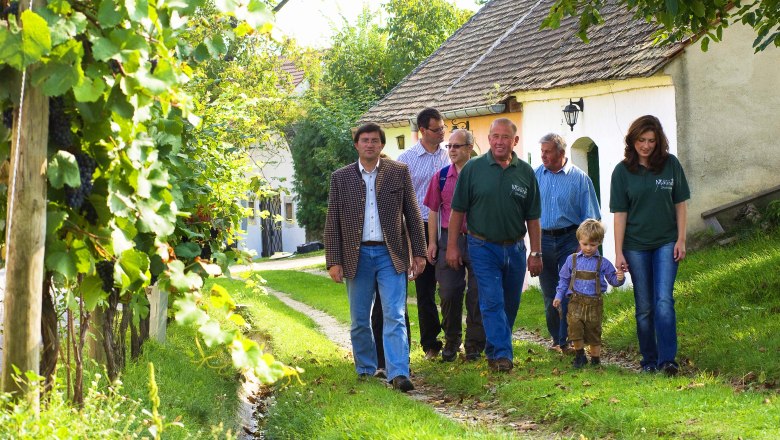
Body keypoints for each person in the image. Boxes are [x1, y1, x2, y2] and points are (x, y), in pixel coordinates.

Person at [324, 122, 427, 392]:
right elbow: (332, 220)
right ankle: (366, 370)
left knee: (394, 313)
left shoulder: (398, 172)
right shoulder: (341, 177)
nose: (369, 144)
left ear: (382, 145)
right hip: (355, 255)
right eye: (364, 140)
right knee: (359, 318)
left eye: (374, 140)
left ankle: (398, 372)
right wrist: (333, 260)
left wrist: (419, 252)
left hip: (390, 253)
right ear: (357, 145)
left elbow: (413, 215)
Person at [446, 118, 542, 373]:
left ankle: (494, 348)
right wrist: (453, 246)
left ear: (515, 141)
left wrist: (536, 252)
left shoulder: (525, 172)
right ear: (488, 139)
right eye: (495, 136)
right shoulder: (473, 169)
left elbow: (533, 217)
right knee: (491, 300)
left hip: (516, 248)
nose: (499, 142)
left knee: (510, 303)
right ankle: (502, 355)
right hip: (482, 245)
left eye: (505, 137)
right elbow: (457, 212)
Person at [610, 115, 690, 376]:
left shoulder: (670, 165)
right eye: (641, 140)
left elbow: (680, 204)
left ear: (659, 142)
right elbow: (620, 214)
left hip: (667, 242)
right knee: (644, 306)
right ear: (633, 140)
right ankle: (649, 361)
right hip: (635, 245)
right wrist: (618, 251)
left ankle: (668, 361)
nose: (646, 146)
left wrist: (681, 239)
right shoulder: (622, 172)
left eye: (651, 141)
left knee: (664, 300)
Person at [534, 133, 601, 353]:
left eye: (548, 151)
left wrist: (584, 247)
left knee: (569, 292)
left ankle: (568, 340)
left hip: (569, 240)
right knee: (549, 293)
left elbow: (591, 218)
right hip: (543, 239)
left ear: (561, 153)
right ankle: (556, 338)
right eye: (542, 151)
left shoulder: (580, 179)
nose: (543, 155)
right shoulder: (536, 176)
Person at [423, 129, 485, 362]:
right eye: (449, 146)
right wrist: (432, 243)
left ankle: (474, 344)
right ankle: (451, 340)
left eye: (457, 146)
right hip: (448, 237)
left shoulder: (481, 175)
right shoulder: (440, 177)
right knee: (448, 292)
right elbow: (432, 211)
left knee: (477, 294)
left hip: (479, 238)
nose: (451, 151)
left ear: (470, 148)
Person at [397, 107, 450, 360]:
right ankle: (431, 344)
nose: (442, 132)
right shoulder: (406, 159)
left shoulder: (449, 156)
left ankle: (453, 339)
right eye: (437, 129)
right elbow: (400, 201)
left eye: (443, 128)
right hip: (418, 228)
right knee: (425, 288)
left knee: (451, 286)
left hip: (446, 228)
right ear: (422, 131)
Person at [553, 219, 625, 368]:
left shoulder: (603, 263)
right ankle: (580, 356)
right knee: (574, 328)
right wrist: (558, 296)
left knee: (594, 331)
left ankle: (595, 360)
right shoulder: (571, 260)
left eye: (593, 245)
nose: (588, 248)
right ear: (579, 240)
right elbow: (564, 280)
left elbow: (613, 280)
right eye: (585, 244)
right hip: (575, 301)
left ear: (599, 242)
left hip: (594, 303)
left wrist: (620, 278)